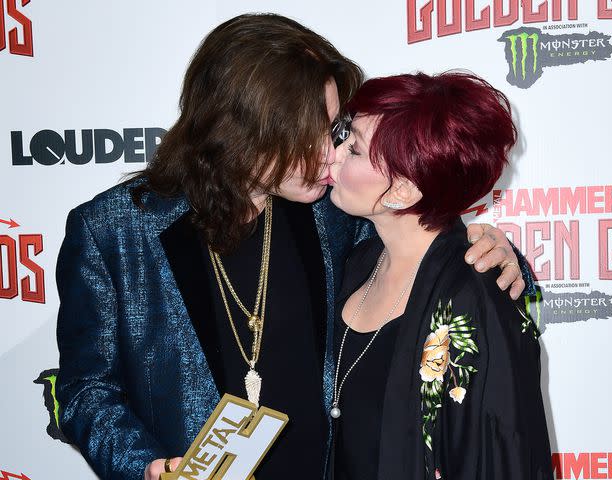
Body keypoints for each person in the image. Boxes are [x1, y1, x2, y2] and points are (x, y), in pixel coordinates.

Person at [55, 14, 531, 480]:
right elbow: (85, 389)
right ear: (244, 131)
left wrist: (499, 257)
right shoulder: (112, 232)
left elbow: (428, 261)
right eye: (312, 132)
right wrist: (145, 465)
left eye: (336, 129)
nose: (331, 152)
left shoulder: (332, 213)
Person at [328, 71, 552, 479]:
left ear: (403, 192)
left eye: (354, 149)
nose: (333, 153)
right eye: (343, 135)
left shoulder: (473, 295)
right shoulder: (356, 258)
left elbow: (502, 456)